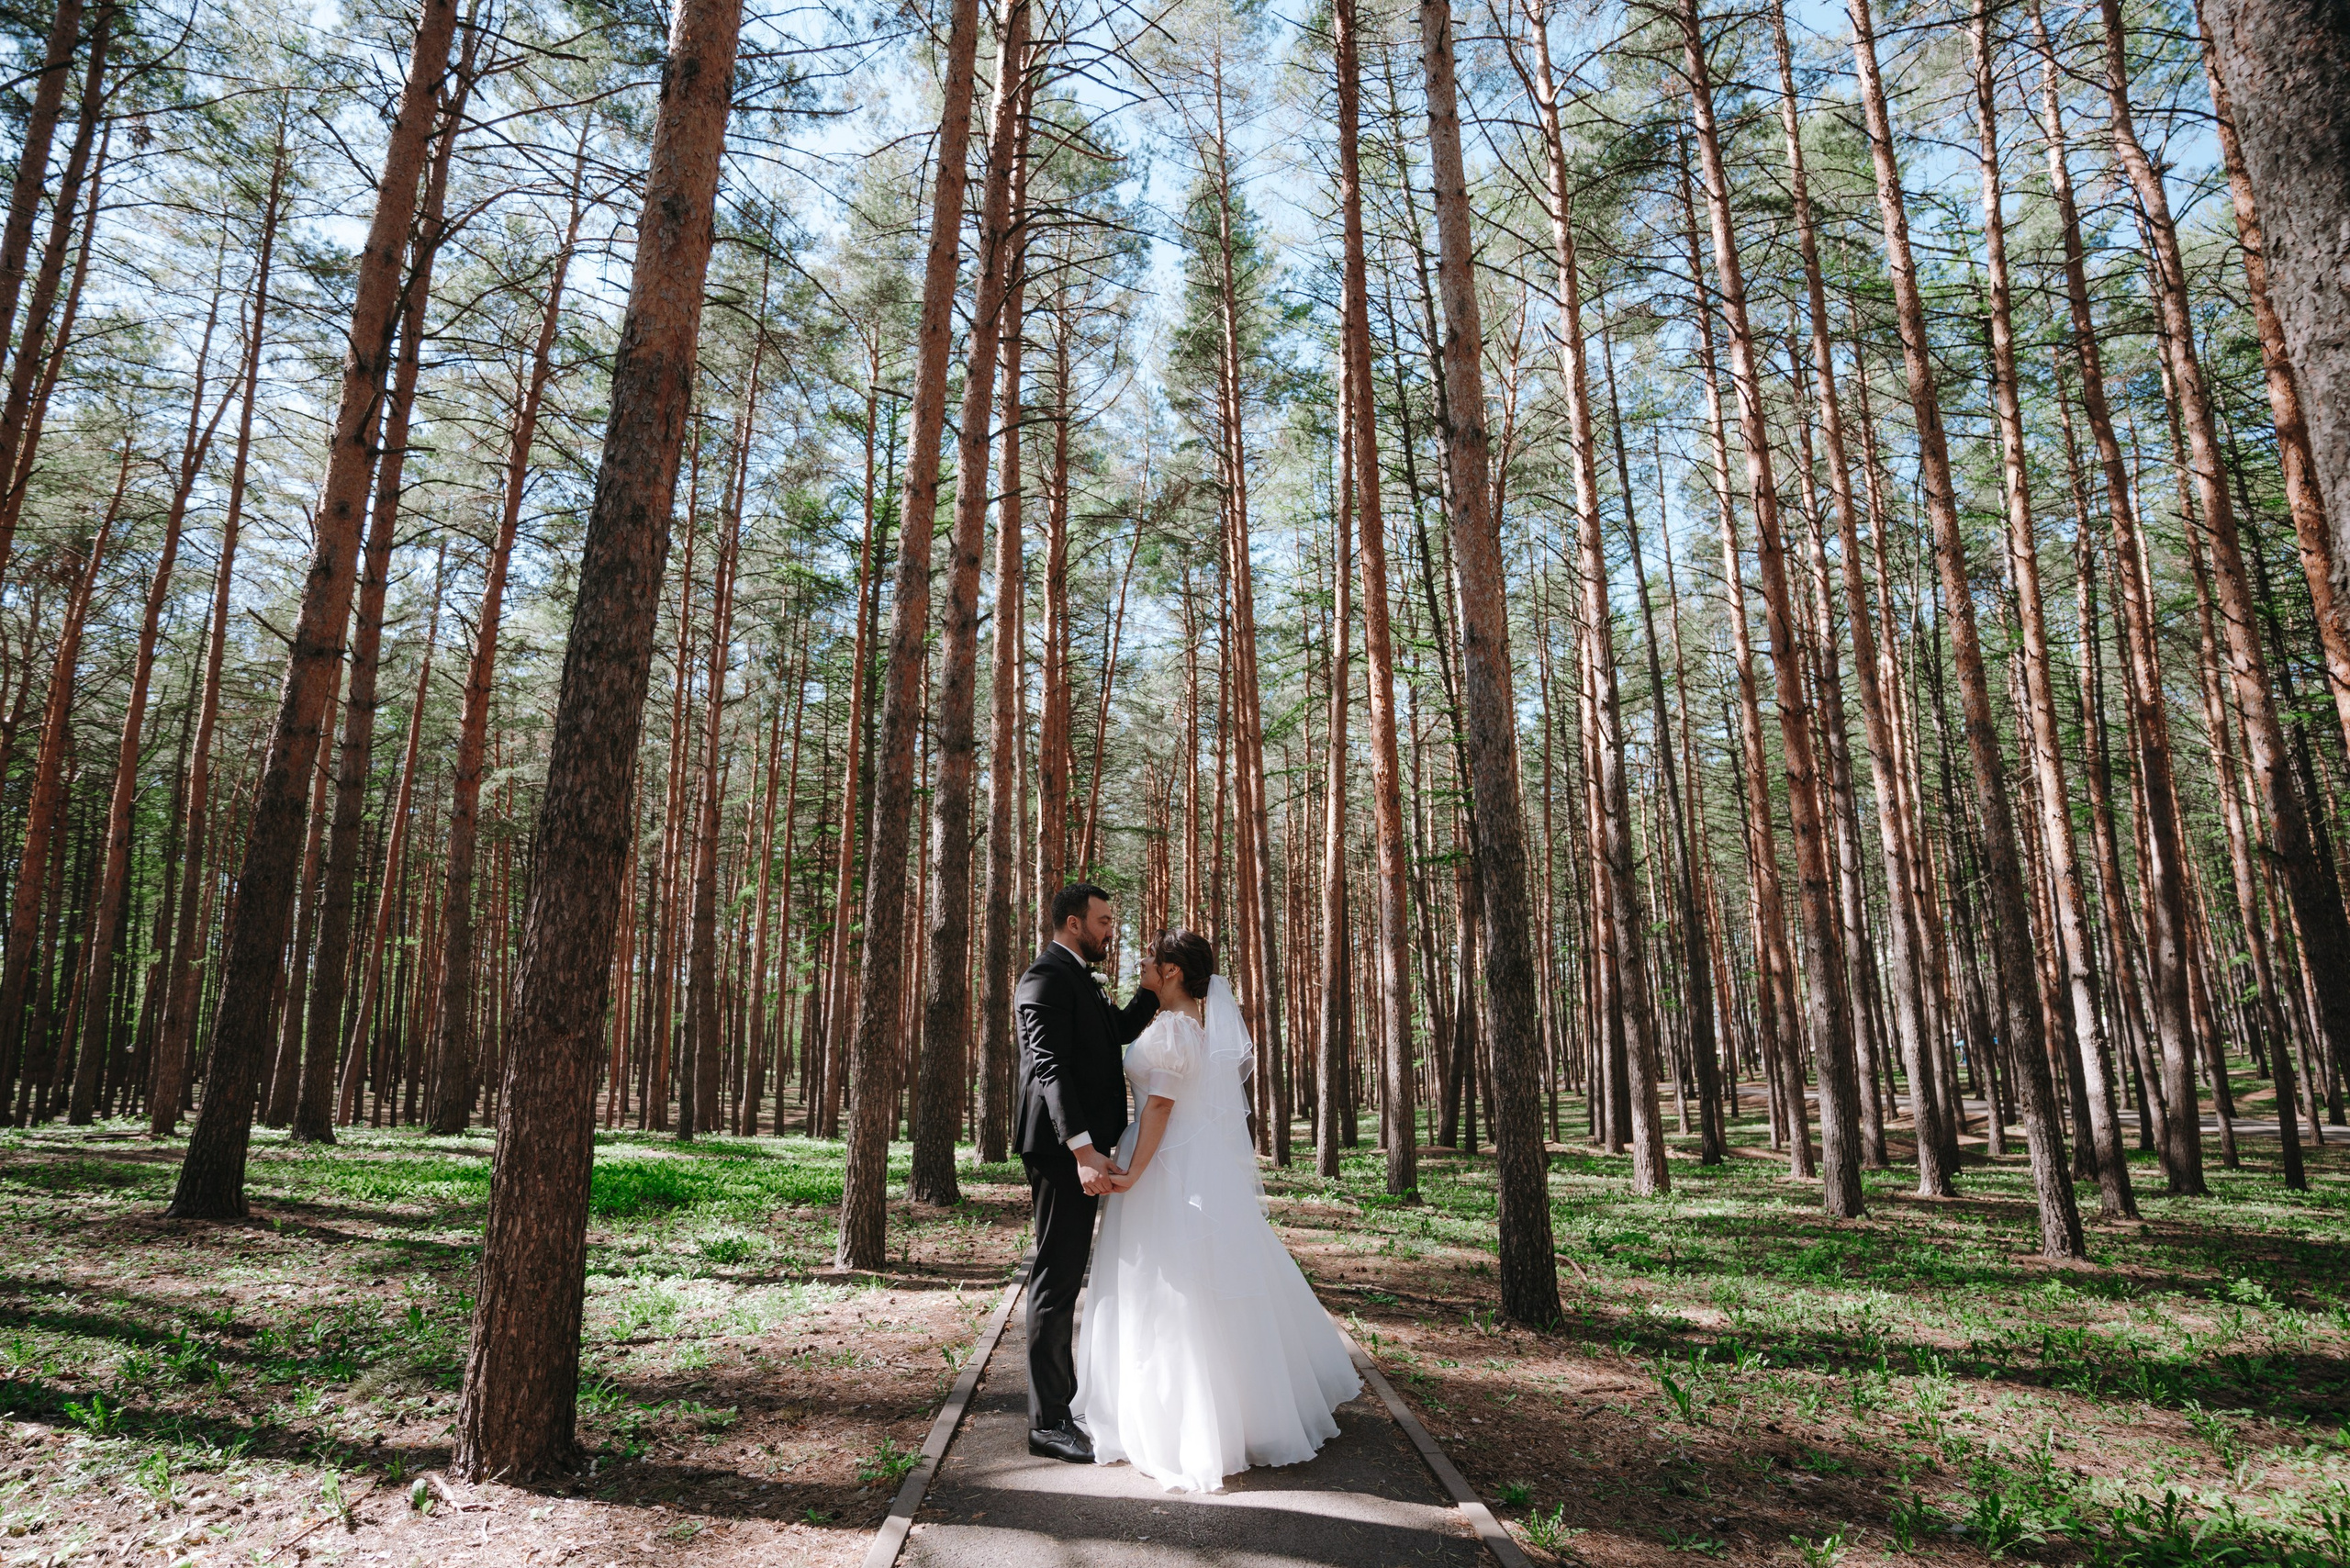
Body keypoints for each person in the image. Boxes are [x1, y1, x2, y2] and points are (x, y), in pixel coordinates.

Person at [1072, 928, 1360, 1492]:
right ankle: (1228, 1411)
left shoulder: (1174, 1030)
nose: (1143, 963)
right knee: (1191, 1281)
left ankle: (1186, 1425)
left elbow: (1159, 1107)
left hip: (1164, 1164)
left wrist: (1135, 1172)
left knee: (1171, 1286)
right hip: (1179, 1158)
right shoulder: (1182, 1025)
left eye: (1151, 958)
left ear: (1173, 972)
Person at [1013, 882, 1160, 1462]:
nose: (1110, 931)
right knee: (1056, 1276)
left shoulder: (1080, 978)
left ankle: (1061, 1404)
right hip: (1060, 1152)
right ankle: (1047, 1423)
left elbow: (1113, 1034)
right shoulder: (1045, 977)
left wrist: (1149, 995)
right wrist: (1081, 1151)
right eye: (1102, 921)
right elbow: (1049, 1068)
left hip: (1083, 1150)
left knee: (1067, 1271)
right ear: (1073, 924)